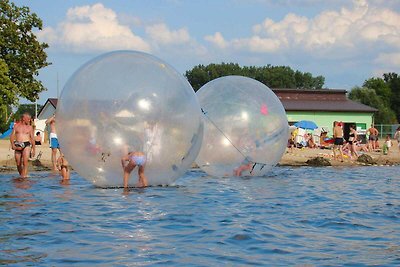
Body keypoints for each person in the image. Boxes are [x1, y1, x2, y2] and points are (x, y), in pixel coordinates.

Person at [10, 113, 35, 178]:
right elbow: (12, 135)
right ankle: (22, 175)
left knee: (25, 162)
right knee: (18, 163)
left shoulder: (30, 127)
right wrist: (12, 145)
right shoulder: (16, 126)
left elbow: (32, 138)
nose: (29, 120)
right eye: (28, 119)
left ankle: (23, 177)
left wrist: (34, 149)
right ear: (24, 118)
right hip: (17, 144)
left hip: (26, 144)